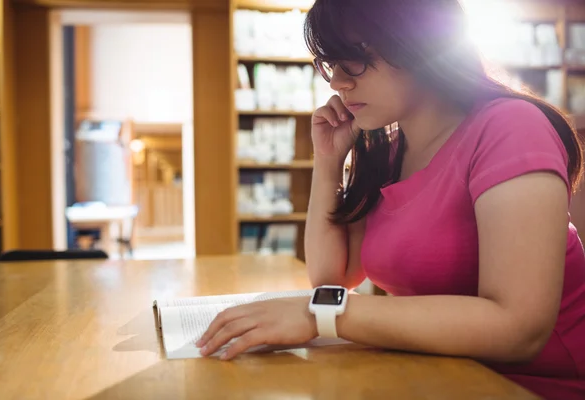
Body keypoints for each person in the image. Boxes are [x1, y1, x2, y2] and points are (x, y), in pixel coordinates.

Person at [197, 1, 585, 398]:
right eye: (330, 64)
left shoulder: (511, 128)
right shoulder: (390, 150)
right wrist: (328, 160)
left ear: (420, 45)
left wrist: (323, 313)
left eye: (355, 60)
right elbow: (333, 276)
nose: (337, 83)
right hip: (439, 377)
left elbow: (518, 328)